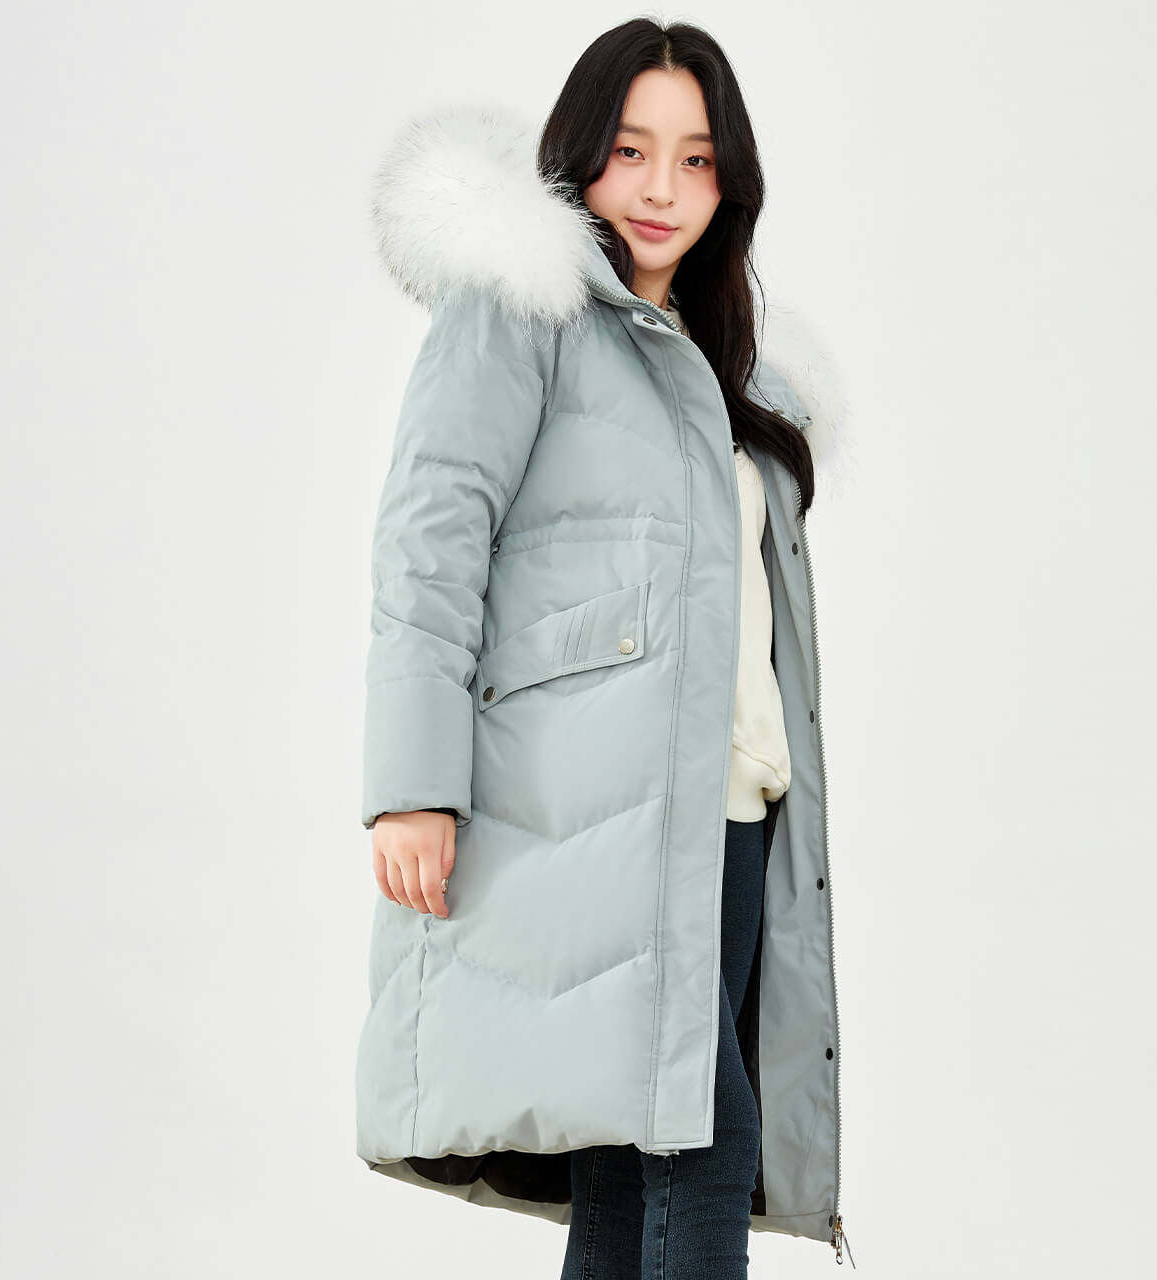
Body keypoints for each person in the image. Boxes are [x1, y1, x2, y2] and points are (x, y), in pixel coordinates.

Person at [356, 16, 854, 1276]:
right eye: (630, 150)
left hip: (729, 818)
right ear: (579, 151)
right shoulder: (522, 310)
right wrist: (413, 783)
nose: (659, 188)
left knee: (630, 1162)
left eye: (694, 159)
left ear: (728, 181)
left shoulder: (728, 373)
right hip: (585, 816)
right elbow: (430, 536)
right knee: (700, 1140)